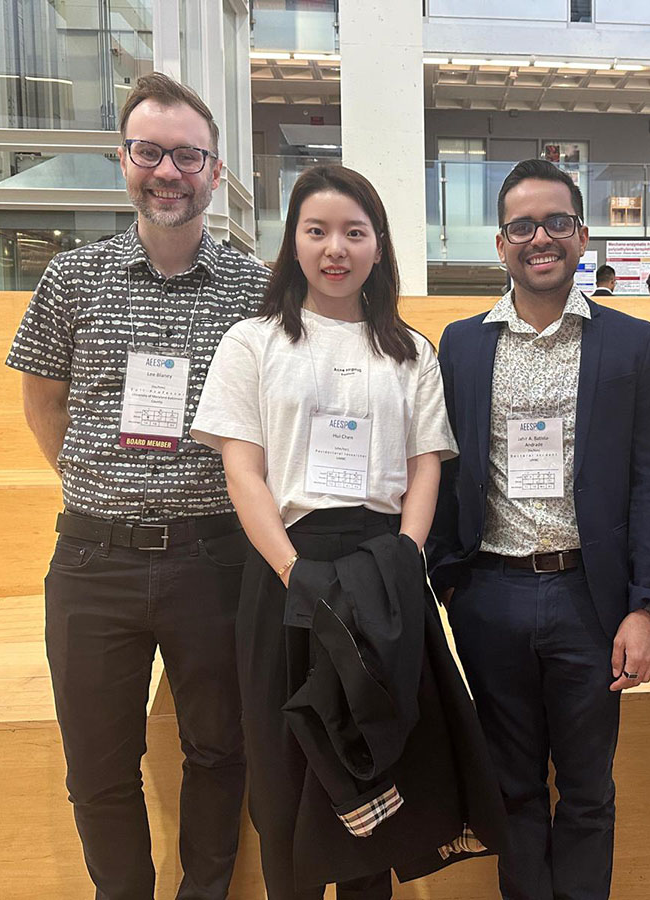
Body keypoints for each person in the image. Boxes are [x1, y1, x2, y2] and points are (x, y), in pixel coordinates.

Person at [192, 164, 504, 898]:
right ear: (293, 243)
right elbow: (243, 471)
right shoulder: (253, 341)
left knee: (376, 758)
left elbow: (428, 466)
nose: (336, 248)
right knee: (287, 768)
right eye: (318, 230)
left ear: (378, 245)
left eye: (354, 232)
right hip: (286, 573)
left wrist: (406, 558)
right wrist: (293, 571)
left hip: (383, 575)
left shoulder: (408, 350)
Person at [5, 73, 269, 900]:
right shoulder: (72, 277)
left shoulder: (254, 288)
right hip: (93, 561)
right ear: (124, 161)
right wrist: (106, 491)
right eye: (149, 151)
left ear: (215, 171)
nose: (168, 171)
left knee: (222, 752)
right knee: (97, 766)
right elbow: (43, 401)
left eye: (187, 155)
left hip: (217, 560)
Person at [427, 158, 650, 900]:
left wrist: (647, 606)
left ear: (582, 235)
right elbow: (442, 464)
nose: (541, 238)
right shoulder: (462, 345)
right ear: (500, 244)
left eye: (556, 222)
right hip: (489, 594)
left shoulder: (633, 345)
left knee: (589, 793)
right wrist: (450, 579)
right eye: (523, 225)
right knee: (513, 788)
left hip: (589, 602)